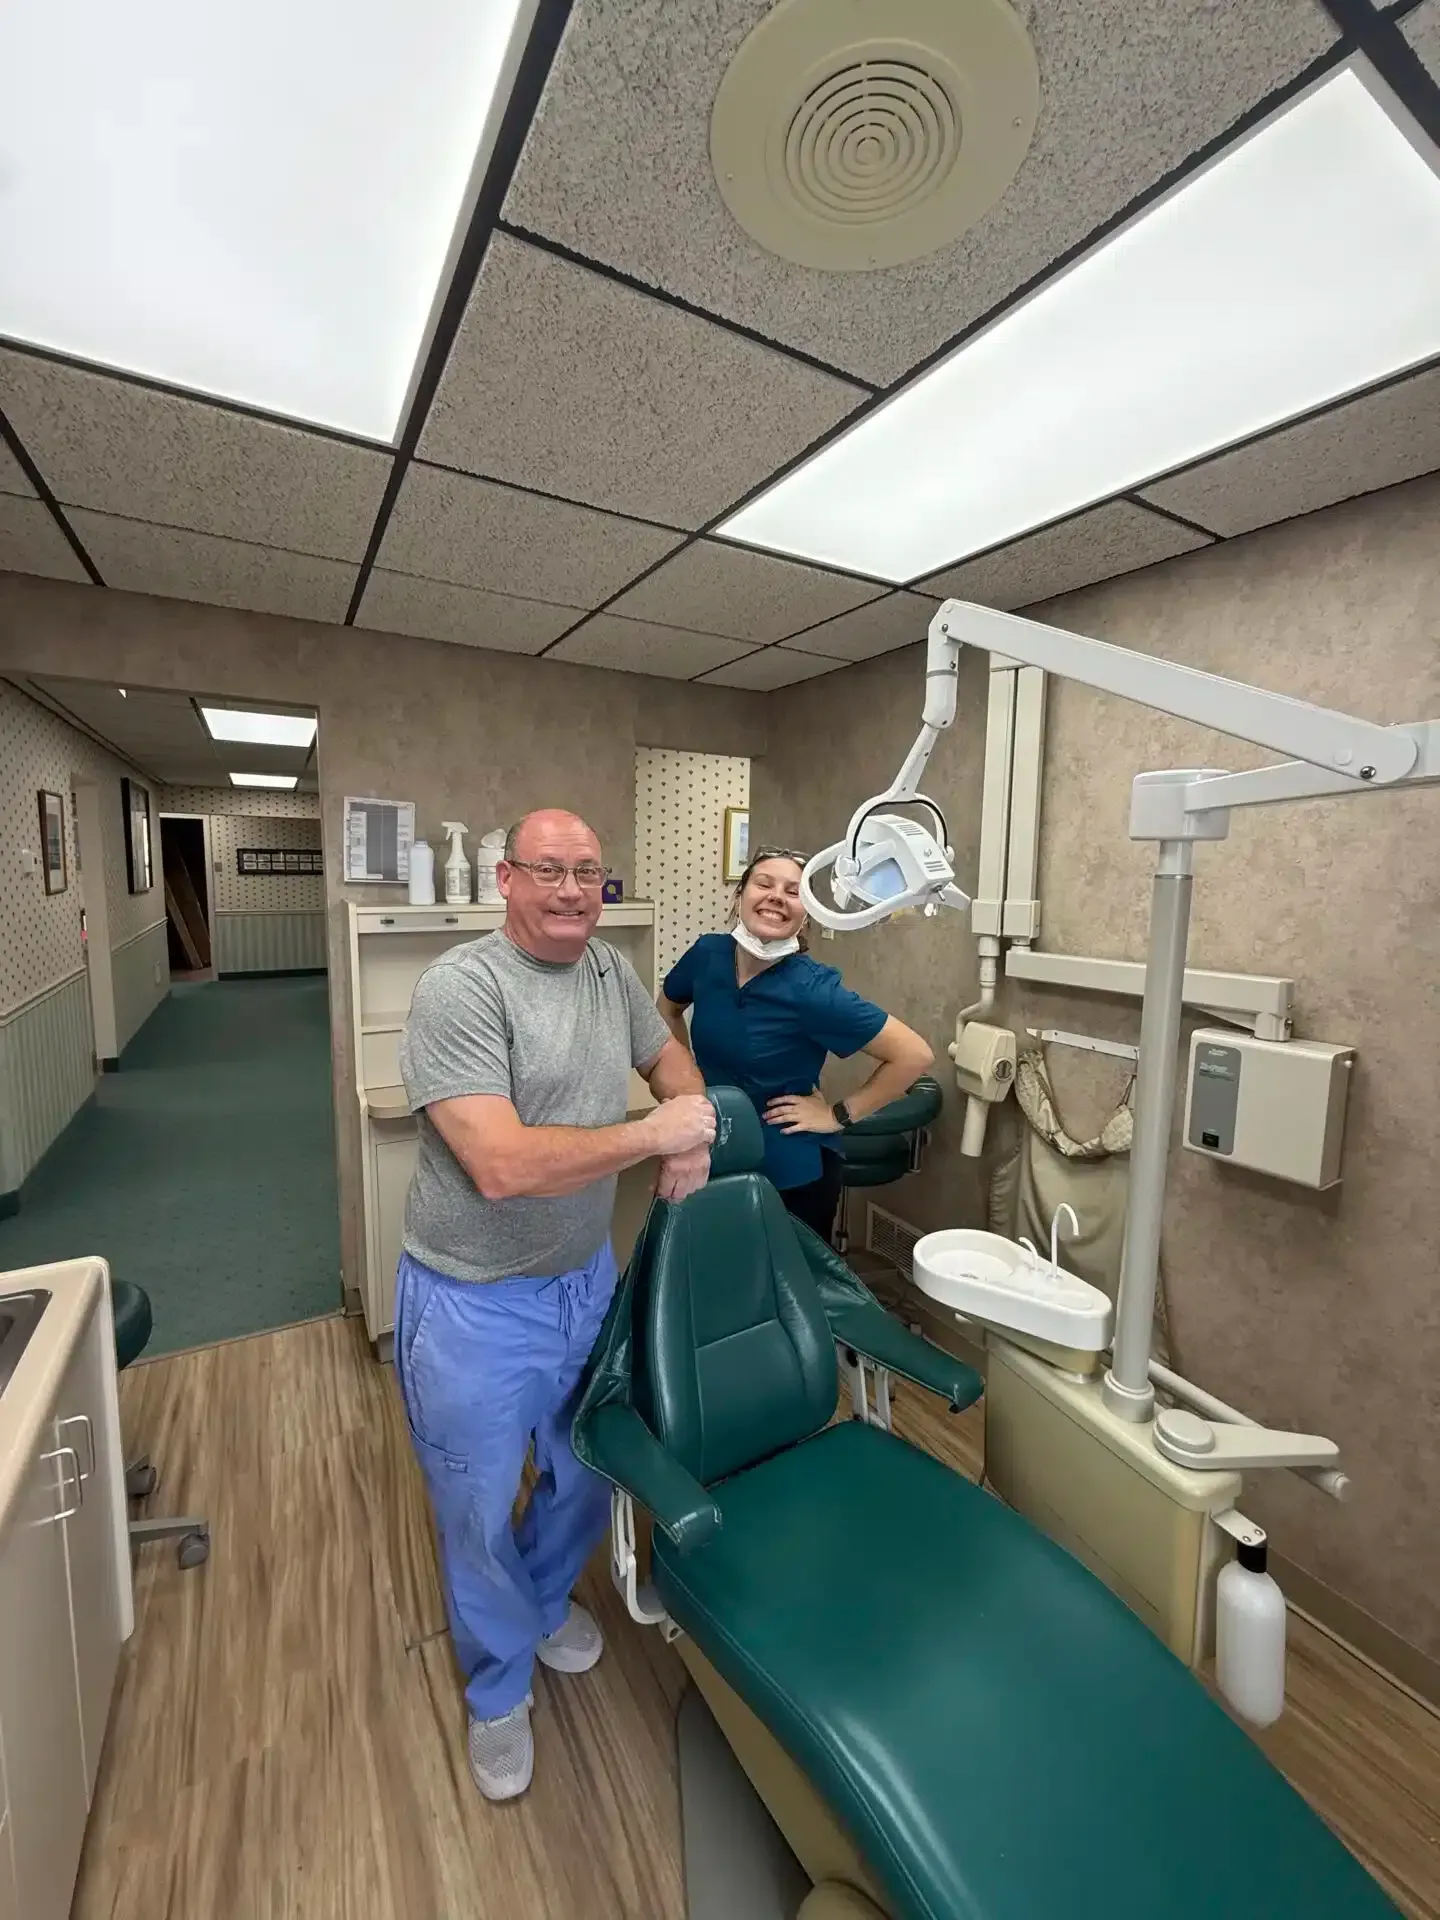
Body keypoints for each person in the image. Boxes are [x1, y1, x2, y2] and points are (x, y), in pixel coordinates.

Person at [395, 808, 714, 1803]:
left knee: (584, 1475)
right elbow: (498, 1165)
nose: (574, 890)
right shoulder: (462, 988)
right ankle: (497, 1687)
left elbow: (673, 1069)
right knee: (479, 1507)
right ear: (506, 880)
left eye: (589, 871)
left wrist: (690, 1134)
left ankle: (536, 1606)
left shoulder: (610, 973)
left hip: (585, 1284)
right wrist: (654, 1135)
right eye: (550, 871)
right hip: (472, 1305)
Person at [657, 846, 934, 1242]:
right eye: (764, 883)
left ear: (807, 914)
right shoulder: (707, 955)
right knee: (716, 1271)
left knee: (782, 1288)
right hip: (715, 1144)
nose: (775, 897)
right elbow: (666, 1008)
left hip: (788, 1170)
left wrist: (838, 1115)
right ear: (740, 896)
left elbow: (913, 1055)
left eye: (793, 891)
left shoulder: (813, 990)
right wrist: (687, 1085)